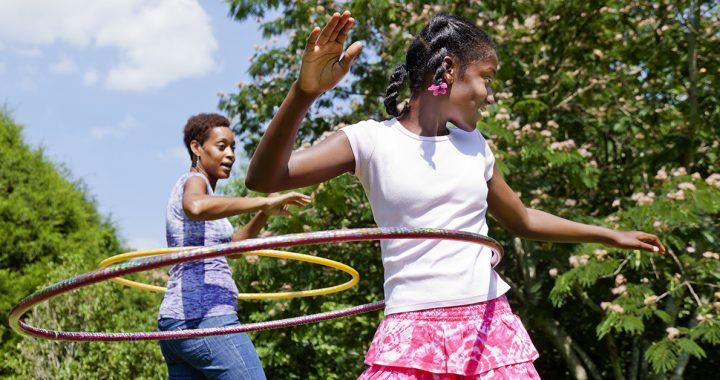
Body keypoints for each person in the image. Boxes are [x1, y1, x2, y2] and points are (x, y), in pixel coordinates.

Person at [244, 12, 665, 379]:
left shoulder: (475, 145)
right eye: (486, 78)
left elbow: (522, 219)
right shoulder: (370, 141)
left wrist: (608, 234)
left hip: (488, 326)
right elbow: (265, 178)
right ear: (448, 68)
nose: (490, 94)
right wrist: (304, 93)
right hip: (410, 333)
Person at [157, 112, 311, 379]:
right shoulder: (195, 182)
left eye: (232, 147)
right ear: (196, 147)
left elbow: (234, 249)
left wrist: (265, 212)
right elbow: (194, 206)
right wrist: (261, 201)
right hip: (205, 317)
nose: (230, 154)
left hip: (175, 323)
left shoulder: (207, 195)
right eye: (221, 146)